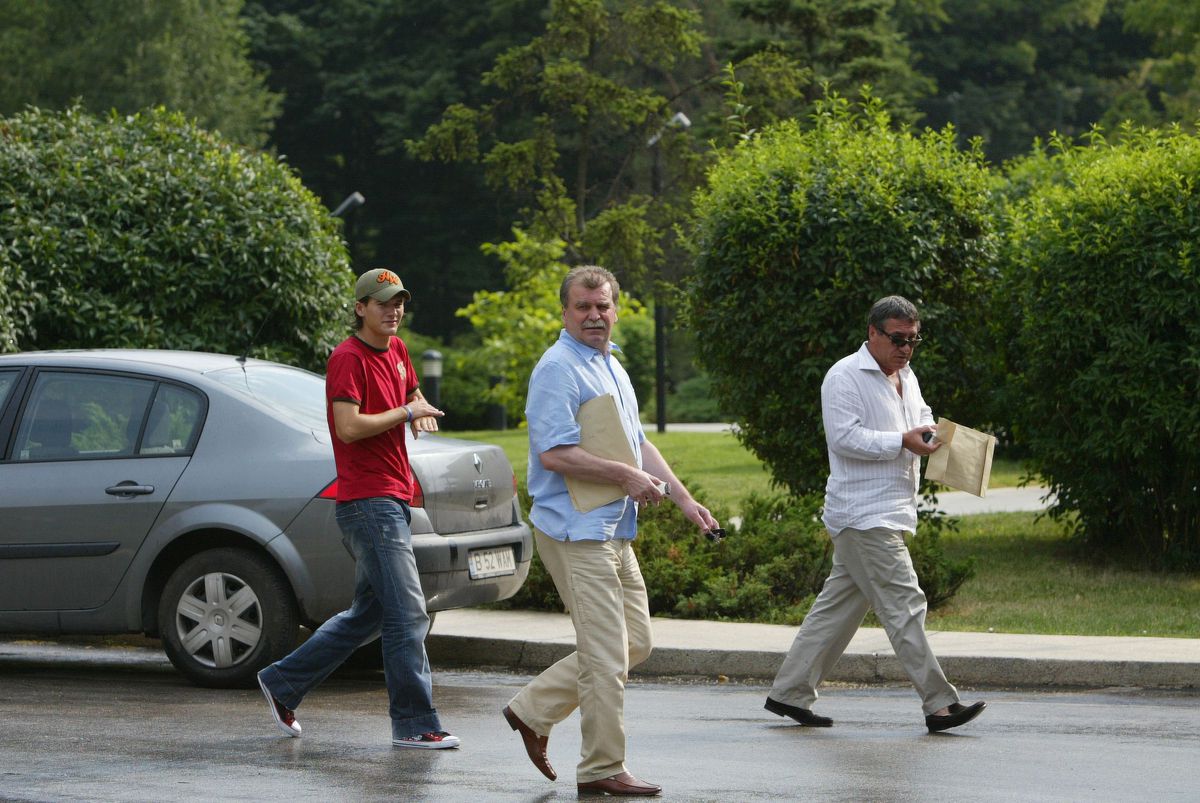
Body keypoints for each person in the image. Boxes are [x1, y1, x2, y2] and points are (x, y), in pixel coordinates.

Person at [502, 265, 719, 796]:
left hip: (614, 525)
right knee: (604, 653)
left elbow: (638, 444)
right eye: (584, 306)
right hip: (575, 530)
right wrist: (625, 476)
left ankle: (532, 710)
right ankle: (602, 768)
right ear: (565, 312)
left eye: (603, 306)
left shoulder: (611, 366)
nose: (595, 315)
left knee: (635, 643)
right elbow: (553, 454)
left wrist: (684, 499)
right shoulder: (557, 369)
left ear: (614, 310)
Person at [765, 295, 987, 734]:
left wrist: (934, 436)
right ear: (873, 333)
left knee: (838, 609)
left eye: (913, 340)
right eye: (897, 338)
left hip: (889, 510)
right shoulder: (844, 376)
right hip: (863, 515)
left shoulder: (907, 375)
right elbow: (845, 439)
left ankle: (789, 693)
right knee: (905, 604)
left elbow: (920, 418)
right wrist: (902, 441)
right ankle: (940, 704)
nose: (905, 348)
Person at [256, 268, 458, 749]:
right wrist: (407, 413)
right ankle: (415, 724)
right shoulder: (347, 359)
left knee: (370, 614)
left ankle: (283, 682)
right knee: (409, 613)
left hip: (392, 496)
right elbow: (347, 427)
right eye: (384, 302)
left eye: (400, 302)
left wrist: (419, 406)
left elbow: (409, 390)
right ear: (360, 308)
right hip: (367, 502)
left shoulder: (399, 351)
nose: (395, 310)